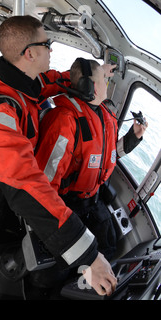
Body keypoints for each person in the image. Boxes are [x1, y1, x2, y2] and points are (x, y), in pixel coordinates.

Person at [0, 15, 118, 297]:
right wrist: (88, 256)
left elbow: (47, 81)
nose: (52, 49)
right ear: (30, 53)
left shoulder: (20, 80)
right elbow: (24, 183)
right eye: (48, 44)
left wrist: (85, 80)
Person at [35, 58, 147, 261]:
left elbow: (109, 155)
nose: (108, 84)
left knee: (109, 245)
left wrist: (134, 137)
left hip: (93, 200)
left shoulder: (105, 115)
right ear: (93, 87)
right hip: (68, 204)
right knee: (63, 262)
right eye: (105, 79)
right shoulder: (64, 122)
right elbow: (44, 184)